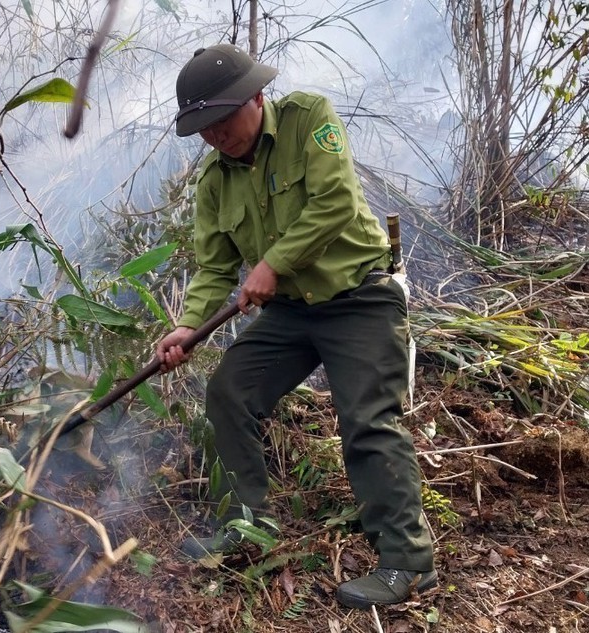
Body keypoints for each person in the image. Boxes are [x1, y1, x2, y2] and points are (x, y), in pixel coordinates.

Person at [156, 43, 437, 609]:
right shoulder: (214, 181)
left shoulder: (311, 120)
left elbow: (333, 204)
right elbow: (214, 267)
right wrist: (188, 327)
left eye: (221, 121)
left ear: (257, 97)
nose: (214, 136)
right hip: (291, 313)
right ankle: (245, 527)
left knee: (367, 422)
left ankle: (407, 564)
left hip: (361, 298)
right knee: (230, 392)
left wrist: (271, 264)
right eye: (203, 128)